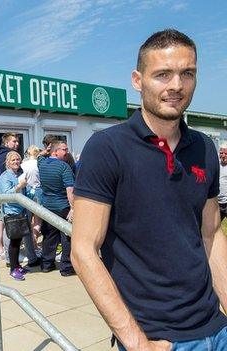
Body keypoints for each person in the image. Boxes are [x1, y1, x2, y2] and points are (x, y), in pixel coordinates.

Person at [72, 29, 227, 351]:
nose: (176, 86)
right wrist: (137, 343)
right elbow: (84, 250)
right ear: (138, 80)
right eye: (162, 74)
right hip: (158, 338)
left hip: (216, 326)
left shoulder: (204, 148)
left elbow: (211, 234)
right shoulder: (107, 148)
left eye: (187, 73)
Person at [38, 140, 75, 276]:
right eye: (64, 150)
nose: (67, 152)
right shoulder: (64, 167)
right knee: (67, 237)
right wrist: (73, 208)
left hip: (47, 207)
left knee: (49, 236)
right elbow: (70, 190)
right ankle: (66, 267)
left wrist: (47, 150)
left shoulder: (42, 163)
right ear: (55, 151)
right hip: (63, 207)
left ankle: (46, 264)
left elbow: (40, 155)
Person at [0, 151, 29, 280]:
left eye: (18, 160)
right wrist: (19, 186)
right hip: (11, 212)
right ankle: (13, 269)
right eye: (13, 160)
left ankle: (17, 265)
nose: (16, 162)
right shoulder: (5, 176)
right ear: (7, 162)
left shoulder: (19, 174)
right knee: (14, 242)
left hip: (21, 211)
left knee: (18, 241)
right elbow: (6, 195)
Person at [22, 145, 44, 263]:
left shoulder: (23, 165)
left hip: (27, 191)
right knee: (38, 219)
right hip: (39, 190)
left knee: (29, 219)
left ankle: (32, 243)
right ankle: (35, 241)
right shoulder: (40, 164)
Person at [219, 143, 227, 221]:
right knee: (213, 227)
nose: (223, 155)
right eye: (221, 153)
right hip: (216, 203)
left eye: (226, 153)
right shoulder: (216, 164)